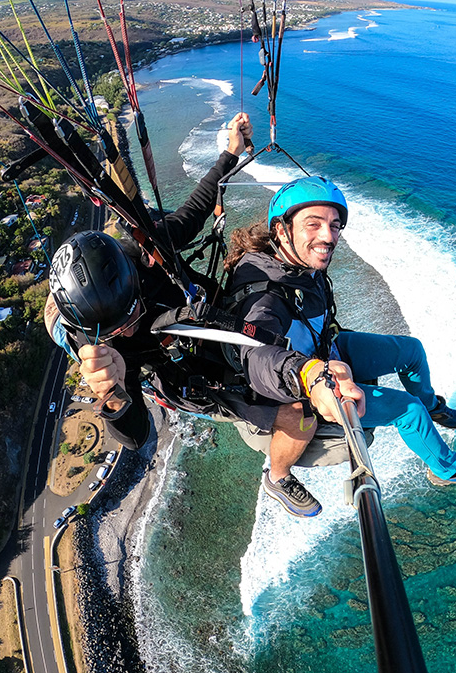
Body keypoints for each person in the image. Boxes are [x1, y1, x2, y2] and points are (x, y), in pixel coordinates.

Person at [43, 112, 317, 458]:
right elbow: (136, 436)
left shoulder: (150, 251)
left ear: (134, 282)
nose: (127, 334)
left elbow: (197, 207)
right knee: (280, 407)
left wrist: (231, 153)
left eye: (130, 320)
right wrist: (111, 396)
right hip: (173, 363)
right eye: (118, 330)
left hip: (198, 318)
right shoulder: (106, 344)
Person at [225, 176, 456, 517]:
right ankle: (447, 470)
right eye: (314, 224)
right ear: (281, 231)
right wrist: (310, 374)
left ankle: (432, 407)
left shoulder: (296, 263)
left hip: (325, 346)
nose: (329, 236)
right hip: (307, 377)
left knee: (411, 351)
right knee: (408, 411)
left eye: (335, 225)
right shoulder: (264, 297)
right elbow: (257, 357)